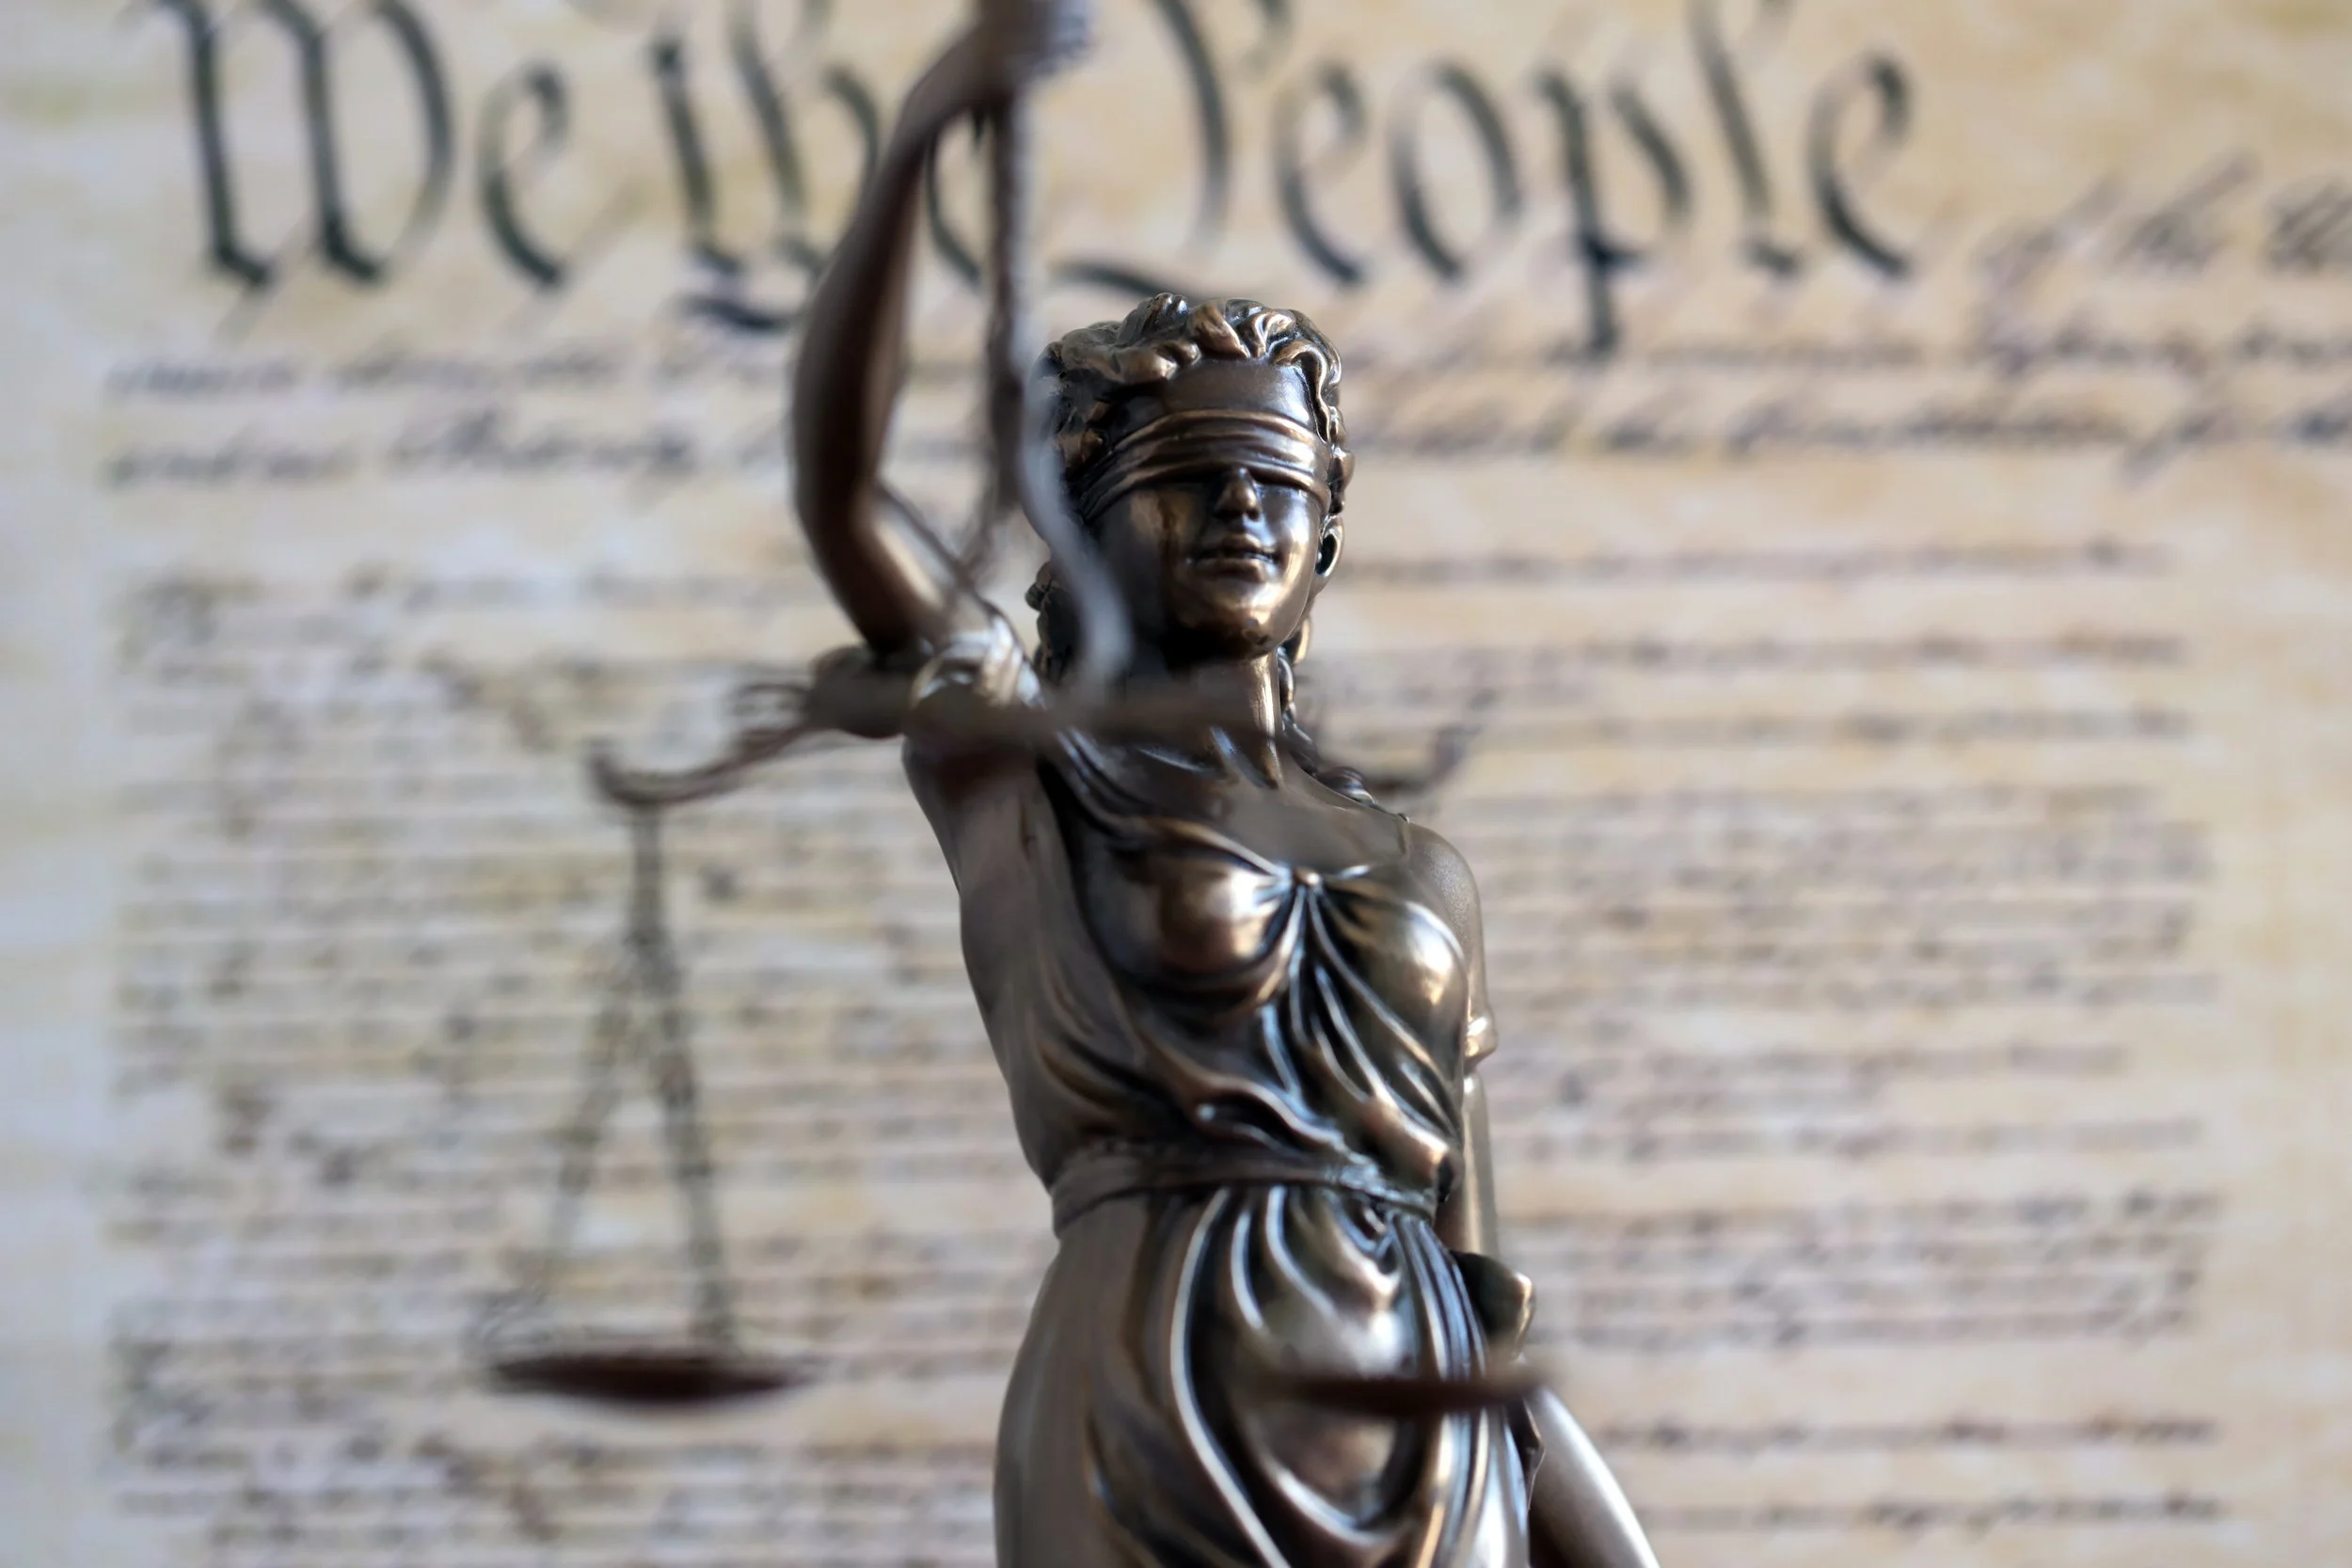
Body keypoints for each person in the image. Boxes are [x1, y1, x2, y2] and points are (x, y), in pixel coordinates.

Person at [788, 4, 1660, 1562]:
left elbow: (1477, 1278)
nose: (1244, 514)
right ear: (1082, 524)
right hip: (1155, 1391)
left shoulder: (1419, 863)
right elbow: (846, 498)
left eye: (1278, 486)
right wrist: (925, 125)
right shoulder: (1032, 760)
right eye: (1187, 481)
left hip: (1426, 1434)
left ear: (1324, 536)